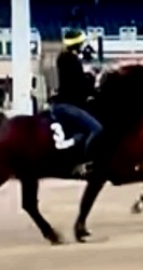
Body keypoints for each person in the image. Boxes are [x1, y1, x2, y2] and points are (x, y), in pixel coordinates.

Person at [49, 29, 104, 177]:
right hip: (67, 105)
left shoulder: (67, 58)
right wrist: (93, 80)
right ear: (78, 44)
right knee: (97, 129)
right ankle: (85, 163)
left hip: (66, 103)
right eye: (81, 43)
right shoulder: (70, 60)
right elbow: (79, 85)